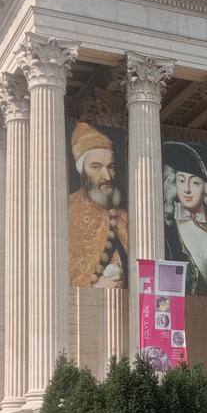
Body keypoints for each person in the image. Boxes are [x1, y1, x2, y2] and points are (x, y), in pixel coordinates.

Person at [67, 121, 128, 288]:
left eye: (111, 167)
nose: (107, 176)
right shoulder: (67, 211)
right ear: (82, 172)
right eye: (96, 167)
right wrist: (94, 288)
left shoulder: (124, 217)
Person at [162, 142, 207, 295]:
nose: (186, 189)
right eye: (181, 180)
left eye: (194, 182)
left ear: (206, 188)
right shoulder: (168, 230)